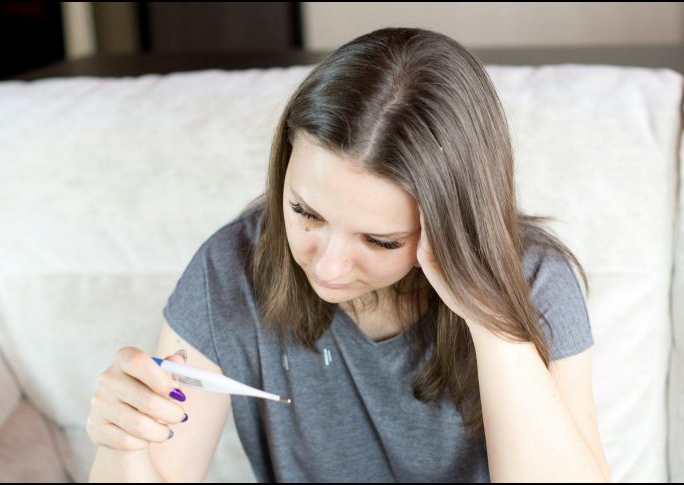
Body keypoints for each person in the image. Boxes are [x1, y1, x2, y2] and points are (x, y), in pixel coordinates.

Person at [86, 27, 611, 482]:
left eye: (380, 241)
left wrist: (488, 318)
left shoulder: (536, 280)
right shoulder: (231, 271)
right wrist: (121, 439)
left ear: (451, 224)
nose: (327, 266)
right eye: (305, 212)